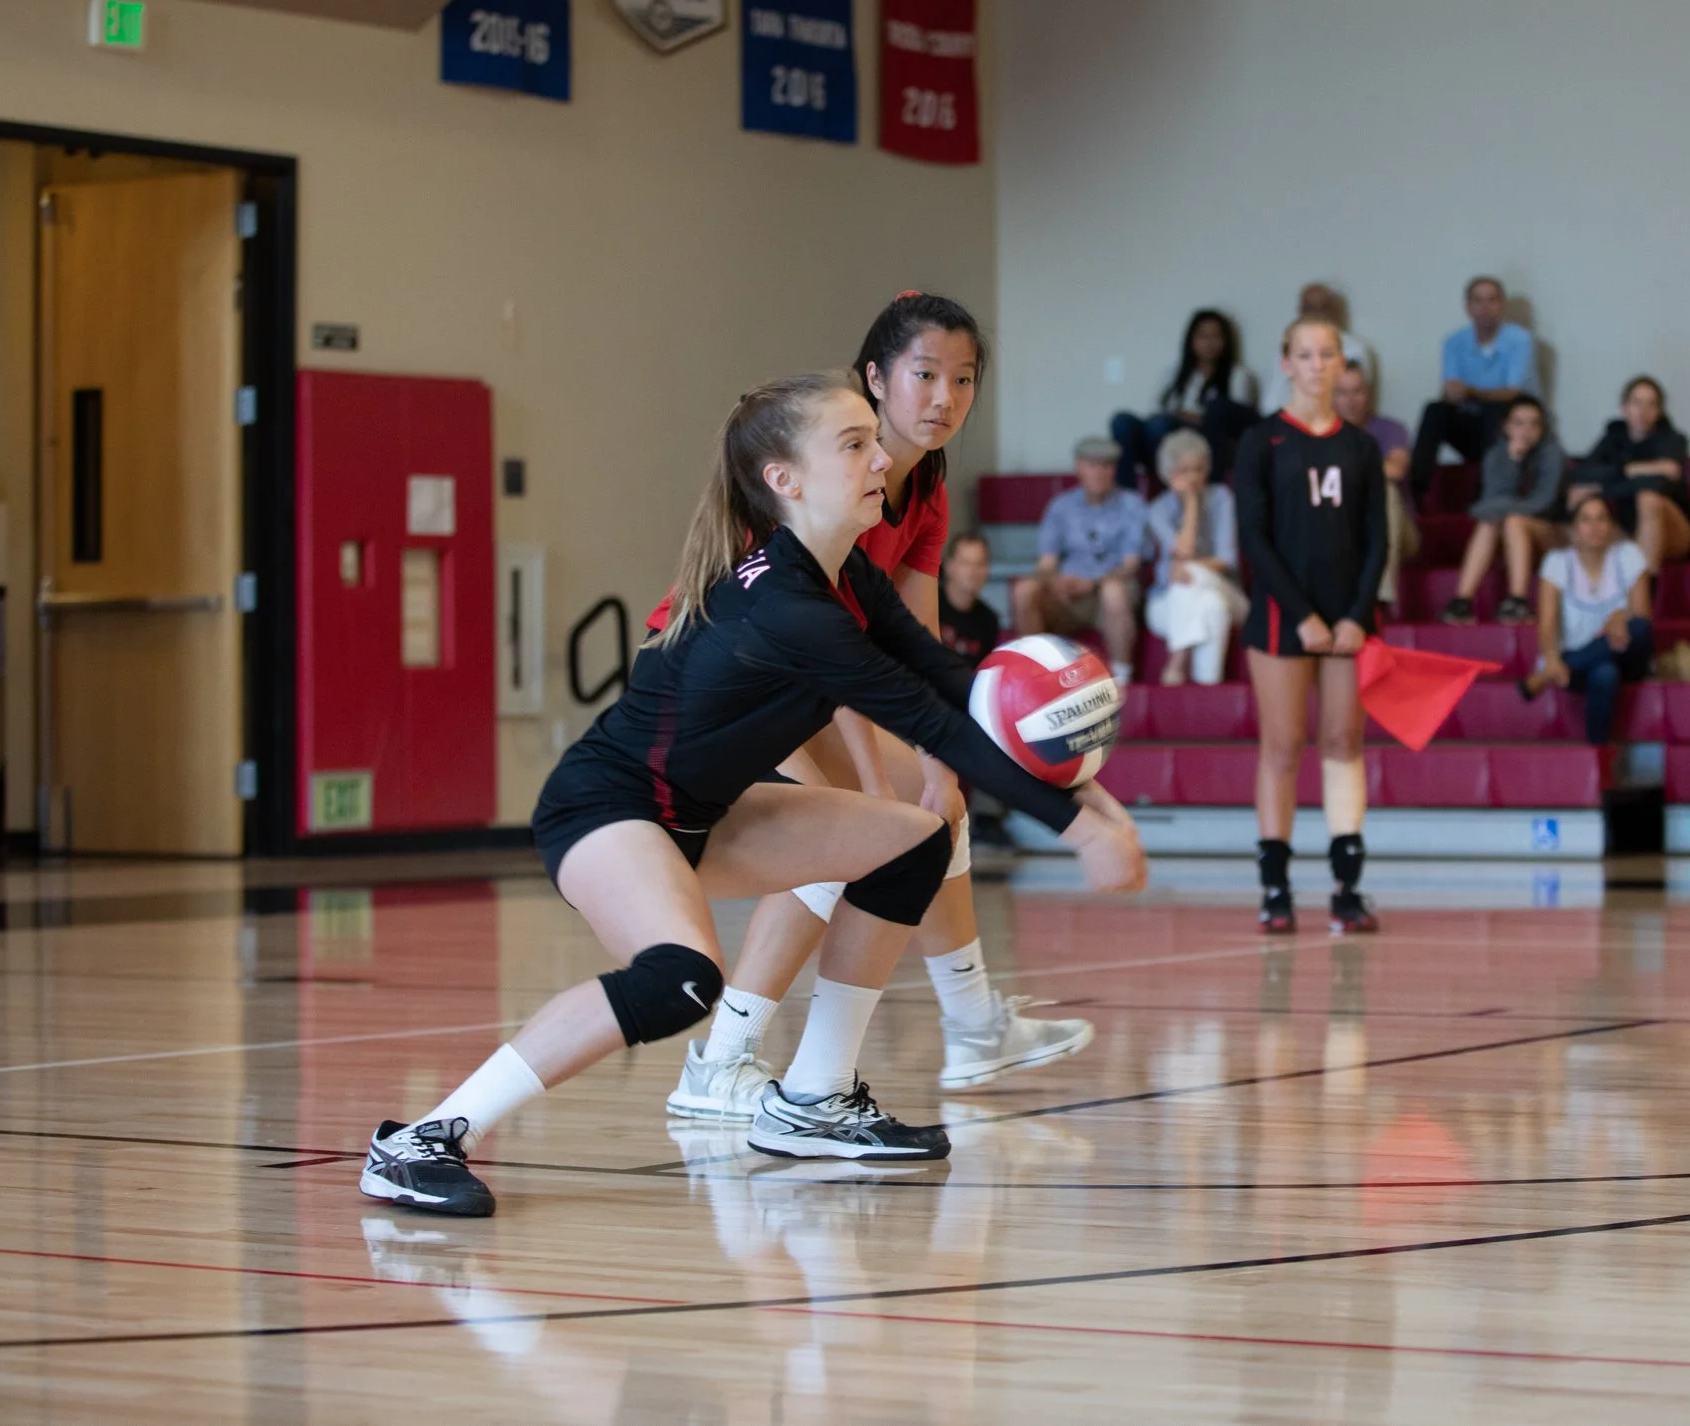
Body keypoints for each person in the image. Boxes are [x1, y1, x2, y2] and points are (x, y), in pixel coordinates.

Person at [359, 374, 1145, 1218]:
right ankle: (421, 1139)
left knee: (916, 838)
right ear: (784, 479)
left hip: (704, 811)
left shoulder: (846, 580)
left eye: (871, 439)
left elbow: (957, 685)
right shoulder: (787, 607)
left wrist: (1093, 791)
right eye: (854, 443)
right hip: (606, 806)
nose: (883, 456)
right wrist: (1075, 826)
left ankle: (814, 1098)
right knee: (682, 978)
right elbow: (934, 724)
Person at [663, 299, 1093, 1124]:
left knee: (936, 815)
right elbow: (834, 661)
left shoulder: (922, 479)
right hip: (730, 677)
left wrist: (944, 760)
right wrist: (878, 779)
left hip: (810, 677)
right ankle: (720, 1060)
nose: (944, 397)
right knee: (857, 834)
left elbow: (911, 635)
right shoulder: (841, 480)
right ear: (874, 379)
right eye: (924, 374)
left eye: (962, 380)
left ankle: (972, 1026)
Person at [1234, 315, 1389, 936]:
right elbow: (1254, 538)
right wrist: (1304, 617)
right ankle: (1275, 888)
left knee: (1344, 744)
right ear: (1286, 363)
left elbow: (1378, 539)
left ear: (1341, 365)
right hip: (1282, 619)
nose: (1318, 364)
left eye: (1328, 354)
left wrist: (1353, 616)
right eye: (1306, 354)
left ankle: (1347, 888)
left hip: (1349, 622)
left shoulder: (1361, 446)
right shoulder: (1261, 442)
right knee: (1280, 746)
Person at [1015, 436, 1151, 684]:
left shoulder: (1132, 504)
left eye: (1106, 466)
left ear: (1114, 469)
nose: (1099, 473)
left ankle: (1122, 678)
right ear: (1078, 466)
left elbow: (1131, 565)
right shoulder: (1061, 506)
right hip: (1066, 593)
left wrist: (1093, 584)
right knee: (1024, 590)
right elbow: (1046, 564)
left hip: (1108, 594)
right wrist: (1055, 582)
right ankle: (1034, 678)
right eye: (1092, 465)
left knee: (1114, 592)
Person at [1521, 492, 1652, 745]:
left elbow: (1641, 616)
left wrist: (1619, 616)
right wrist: (1550, 657)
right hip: (1577, 667)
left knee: (1639, 629)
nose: (1594, 527)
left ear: (1612, 526)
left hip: (1627, 653)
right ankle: (1597, 758)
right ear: (1573, 529)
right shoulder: (1557, 562)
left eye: (1602, 518)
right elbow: (1546, 625)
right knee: (1604, 673)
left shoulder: (1629, 554)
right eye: (1586, 520)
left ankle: (1546, 675)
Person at [1408, 276, 1540, 504]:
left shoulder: (1520, 339)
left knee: (1496, 410)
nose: (1485, 308)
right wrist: (1455, 394)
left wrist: (1471, 391)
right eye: (1478, 301)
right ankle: (1416, 492)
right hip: (1473, 424)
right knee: (1435, 410)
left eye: (1492, 300)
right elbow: (1450, 390)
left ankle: (1486, 497)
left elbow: (1513, 392)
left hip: (1510, 426)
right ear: (1468, 307)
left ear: (1502, 305)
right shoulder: (1454, 341)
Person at [1444, 395, 1566, 624]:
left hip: (1553, 534)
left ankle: (1518, 600)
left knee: (1513, 520)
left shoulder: (1552, 453)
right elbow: (1490, 504)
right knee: (1490, 522)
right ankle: (1462, 601)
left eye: (1534, 423)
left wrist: (1502, 508)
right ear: (1506, 426)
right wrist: (1513, 460)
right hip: (1509, 536)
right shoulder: (1496, 455)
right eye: (1519, 423)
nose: (1526, 430)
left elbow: (1543, 503)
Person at [1110, 309, 1261, 487]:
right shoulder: (1174, 373)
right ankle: (1127, 494)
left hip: (1197, 438)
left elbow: (1233, 419)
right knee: (1122, 421)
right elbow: (1153, 409)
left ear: (1226, 341)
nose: (1209, 343)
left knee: (1160, 425)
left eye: (1216, 336)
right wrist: (1179, 416)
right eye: (1203, 336)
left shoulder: (1238, 375)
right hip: (1160, 431)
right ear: (1191, 340)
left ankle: (1167, 482)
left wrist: (1186, 416)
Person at [1144, 428, 1247, 685]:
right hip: (1165, 602)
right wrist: (1191, 504)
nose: (1192, 478)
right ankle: (1207, 689)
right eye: (1184, 471)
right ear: (1168, 475)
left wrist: (1191, 501)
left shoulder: (1222, 498)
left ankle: (1176, 664)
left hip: (1230, 594)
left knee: (1193, 574)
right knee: (1210, 606)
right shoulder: (1158, 509)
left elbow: (1225, 561)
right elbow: (1184, 551)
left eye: (1198, 469)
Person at [1571, 375, 1690, 577]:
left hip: (1674, 529)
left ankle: (1645, 592)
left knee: (1648, 498)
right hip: (1628, 529)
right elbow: (1583, 473)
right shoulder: (1613, 437)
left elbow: (1657, 484)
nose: (1642, 411)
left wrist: (1606, 484)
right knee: (1577, 501)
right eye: (1636, 403)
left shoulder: (1672, 439)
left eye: (1651, 405)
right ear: (1624, 407)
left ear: (1658, 411)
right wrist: (1630, 470)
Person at [1335, 359, 1418, 611]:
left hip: (1399, 533)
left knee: (1386, 491)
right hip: (1343, 530)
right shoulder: (1319, 436)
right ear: (1331, 397)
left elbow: (1395, 469)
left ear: (1368, 394)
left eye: (1357, 391)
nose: (1351, 400)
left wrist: (1343, 472)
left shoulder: (1390, 429)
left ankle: (1380, 596)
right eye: (1342, 392)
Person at [937, 533, 999, 664]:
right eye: (966, 563)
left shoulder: (989, 621)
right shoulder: (929, 603)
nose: (973, 571)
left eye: (980, 564)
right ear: (949, 566)